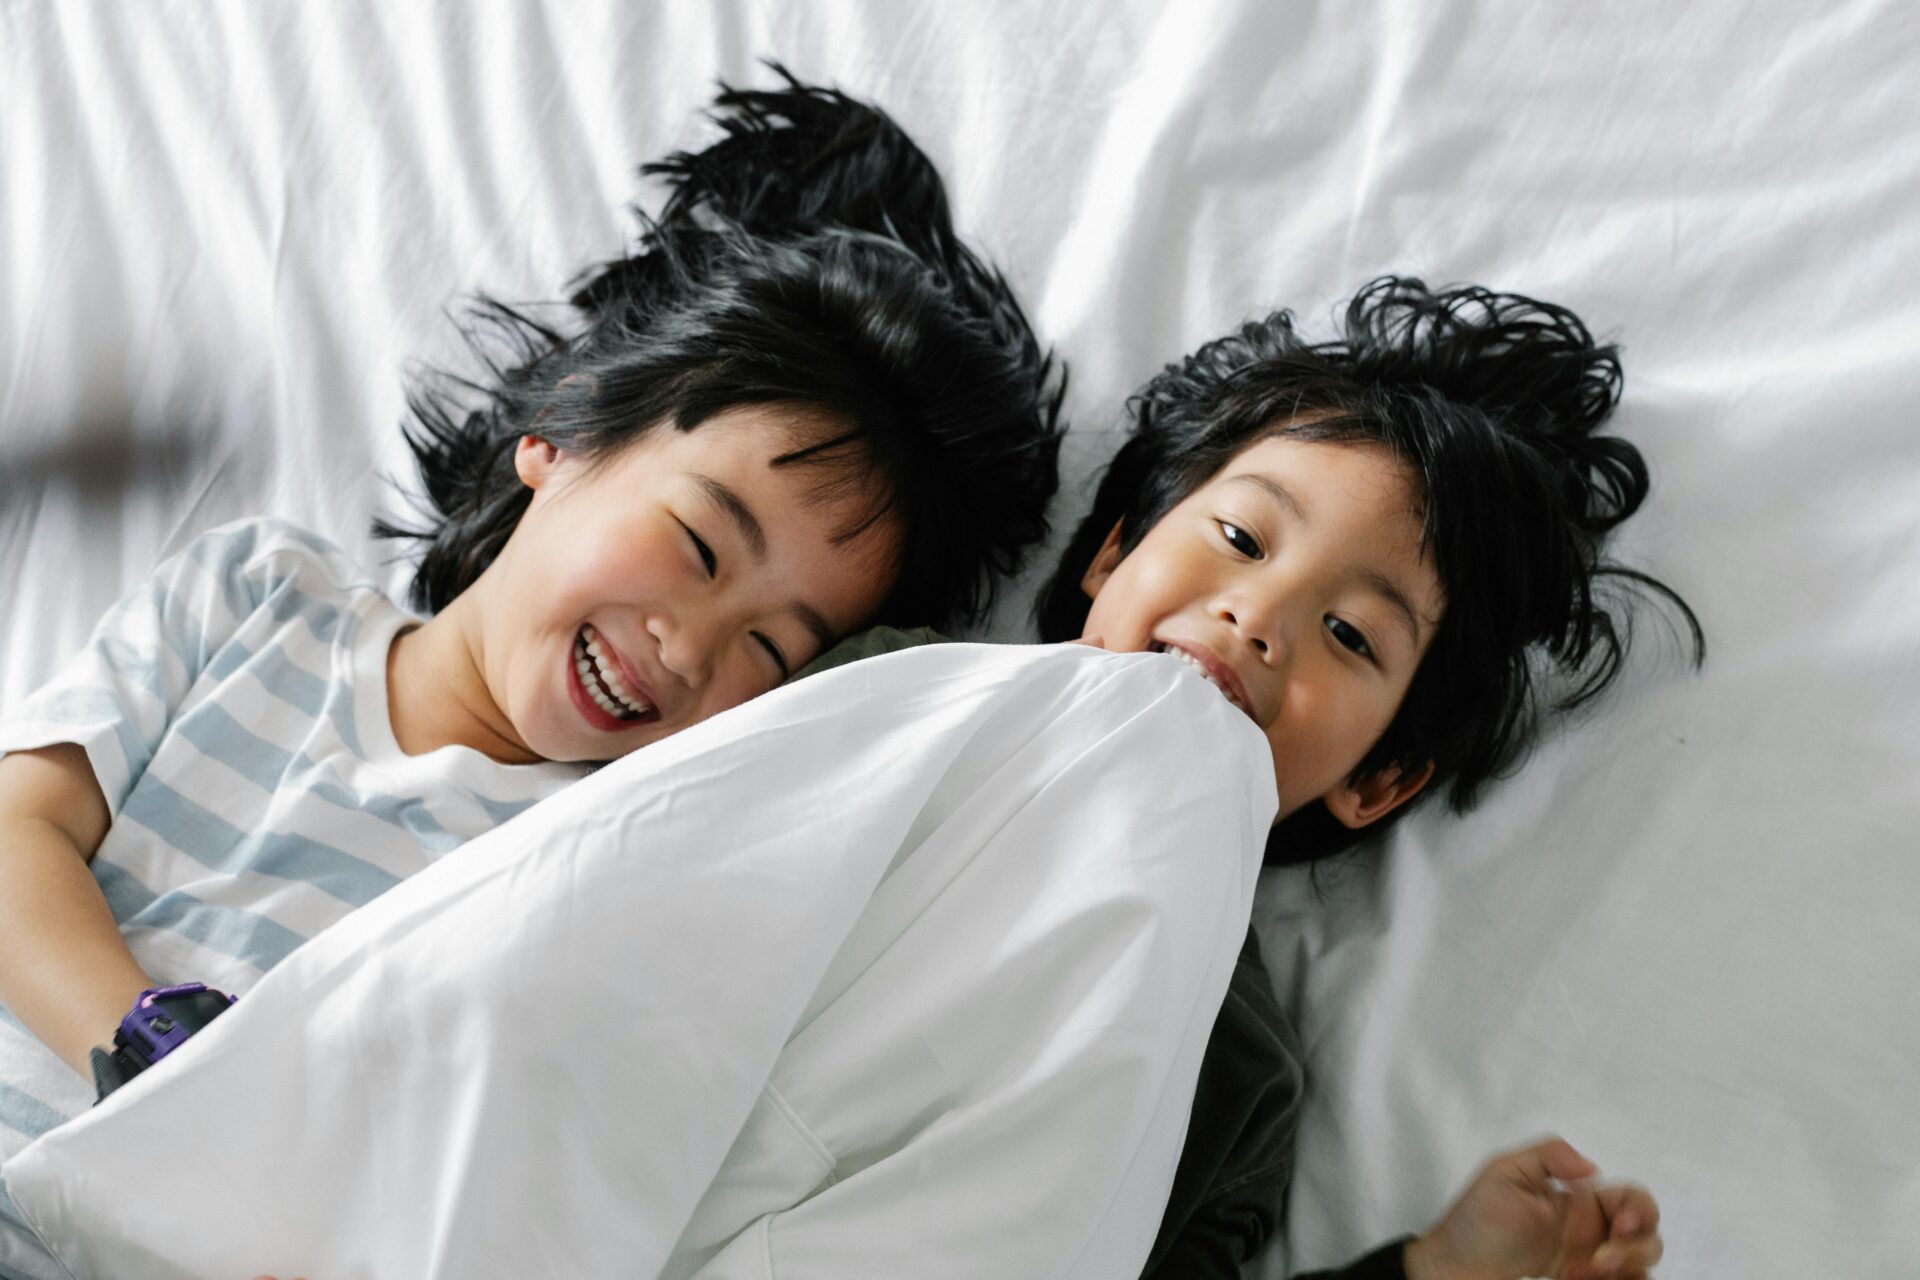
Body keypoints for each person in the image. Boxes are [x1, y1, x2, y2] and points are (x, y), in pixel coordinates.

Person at [0, 72, 1063, 1278]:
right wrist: (163, 1060)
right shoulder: (259, 594)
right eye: (702, 543)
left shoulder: (617, 849)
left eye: (772, 649)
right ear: (562, 430)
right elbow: (15, 831)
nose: (690, 644)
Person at [811, 274, 1701, 1279]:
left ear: (1383, 776)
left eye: (1350, 633)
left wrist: (1434, 1270)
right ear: (1114, 551)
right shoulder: (878, 684)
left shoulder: (1233, 1081)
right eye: (1240, 538)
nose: (1259, 617)